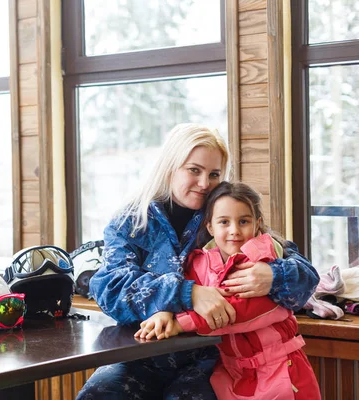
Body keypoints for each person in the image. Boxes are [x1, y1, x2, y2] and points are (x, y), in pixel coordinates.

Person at [76, 123, 319, 400]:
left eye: (214, 174)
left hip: (212, 360)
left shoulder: (225, 215)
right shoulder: (131, 221)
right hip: (140, 356)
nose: (204, 183)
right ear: (170, 167)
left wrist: (273, 276)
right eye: (194, 170)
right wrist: (188, 293)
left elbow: (306, 275)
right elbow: (110, 288)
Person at [135, 181, 320, 399]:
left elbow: (242, 308)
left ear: (257, 224)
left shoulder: (264, 257)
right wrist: (164, 311)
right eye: (224, 222)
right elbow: (182, 292)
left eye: (243, 221)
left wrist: (180, 324)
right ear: (210, 226)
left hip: (282, 368)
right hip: (233, 372)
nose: (234, 231)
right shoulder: (199, 262)